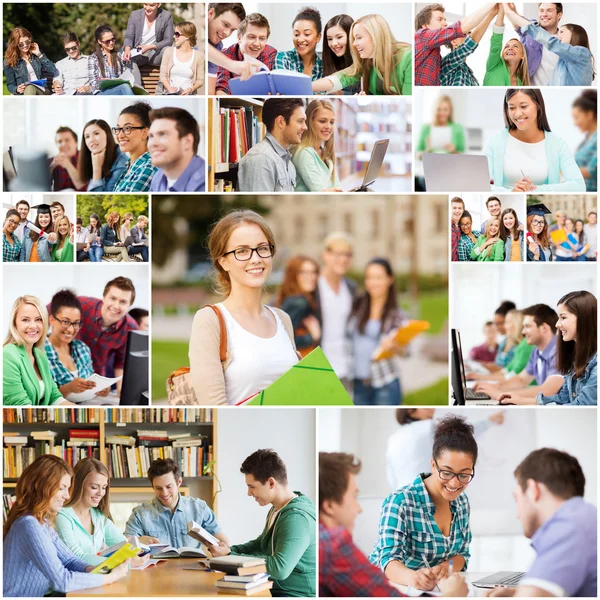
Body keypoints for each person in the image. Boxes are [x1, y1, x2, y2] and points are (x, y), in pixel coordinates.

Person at [319, 452, 469, 598]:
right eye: (354, 496)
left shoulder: (321, 540)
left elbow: (463, 553)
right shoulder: (334, 545)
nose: (359, 508)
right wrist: (452, 595)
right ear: (330, 506)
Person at [189, 211, 299, 405]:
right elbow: (214, 407)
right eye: (242, 251)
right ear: (223, 261)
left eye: (262, 248)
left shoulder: (282, 318)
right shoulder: (210, 319)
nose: (255, 258)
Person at [370, 415, 476, 591]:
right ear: (433, 465)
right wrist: (415, 577)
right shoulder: (400, 502)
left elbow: (462, 554)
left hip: (430, 591)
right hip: (386, 589)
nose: (455, 483)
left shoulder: (462, 502)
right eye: (447, 472)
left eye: (464, 474)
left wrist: (443, 569)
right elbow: (388, 561)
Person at [3, 455, 128, 597]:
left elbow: (70, 560)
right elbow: (62, 581)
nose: (67, 496)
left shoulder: (42, 523)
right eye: (62, 488)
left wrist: (98, 570)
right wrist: (109, 577)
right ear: (42, 486)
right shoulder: (29, 525)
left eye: (68, 489)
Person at [487, 448, 597, 598]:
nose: (517, 514)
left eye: (517, 498)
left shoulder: (571, 526)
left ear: (533, 490)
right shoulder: (584, 518)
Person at [210, 449, 316, 598]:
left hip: (292, 595)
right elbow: (261, 543)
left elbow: (280, 568)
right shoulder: (277, 509)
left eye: (252, 486)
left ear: (271, 483)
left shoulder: (296, 519)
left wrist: (230, 555)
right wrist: (229, 550)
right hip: (272, 589)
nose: (248, 493)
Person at [499, 291, 597, 406]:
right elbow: (564, 397)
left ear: (583, 318)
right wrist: (521, 401)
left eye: (563, 318)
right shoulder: (574, 356)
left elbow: (582, 406)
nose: (557, 325)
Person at [484, 88, 586, 192]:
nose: (517, 113)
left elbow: (579, 186)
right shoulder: (495, 142)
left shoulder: (558, 144)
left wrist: (535, 189)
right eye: (512, 108)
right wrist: (510, 192)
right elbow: (479, 186)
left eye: (523, 106)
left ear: (538, 105)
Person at [55, 458, 147, 567]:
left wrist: (138, 552)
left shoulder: (99, 516)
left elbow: (123, 544)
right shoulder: (62, 516)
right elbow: (75, 557)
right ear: (78, 485)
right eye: (94, 487)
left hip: (95, 578)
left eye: (104, 487)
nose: (100, 493)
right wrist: (125, 563)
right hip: (73, 579)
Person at [386, 410, 504, 491]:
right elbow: (460, 433)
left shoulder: (393, 438)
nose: (432, 409)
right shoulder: (427, 427)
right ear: (411, 412)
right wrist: (489, 421)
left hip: (401, 494)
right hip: (425, 494)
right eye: (425, 407)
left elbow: (391, 478)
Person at [124, 458, 228, 548]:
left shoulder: (199, 508)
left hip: (193, 569)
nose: (164, 493)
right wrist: (139, 540)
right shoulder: (140, 514)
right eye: (158, 488)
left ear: (179, 482)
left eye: (169, 487)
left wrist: (217, 548)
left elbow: (224, 542)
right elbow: (125, 544)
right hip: (156, 570)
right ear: (152, 487)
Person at [473, 304, 564, 402]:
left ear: (544, 328)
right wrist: (495, 386)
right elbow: (521, 379)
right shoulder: (537, 352)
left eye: (527, 326)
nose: (523, 331)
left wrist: (501, 394)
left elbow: (548, 390)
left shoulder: (559, 351)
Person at [349, 258, 406, 406]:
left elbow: (407, 352)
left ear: (390, 279)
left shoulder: (397, 315)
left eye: (378, 277)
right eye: (369, 277)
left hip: (385, 382)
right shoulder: (357, 306)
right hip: (358, 383)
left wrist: (395, 347)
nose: (373, 282)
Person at [312, 14, 412, 95]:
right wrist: (309, 86)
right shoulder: (367, 60)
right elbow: (343, 77)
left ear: (375, 36)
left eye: (359, 38)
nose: (354, 44)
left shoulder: (408, 57)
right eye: (354, 39)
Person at [3, 296, 73, 406]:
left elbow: (54, 396)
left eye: (38, 319)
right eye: (25, 320)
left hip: (37, 421)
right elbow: (20, 405)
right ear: (14, 323)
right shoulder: (7, 355)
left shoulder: (40, 355)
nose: (33, 326)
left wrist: (80, 412)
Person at [505, 6, 594, 87]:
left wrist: (511, 13)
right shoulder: (562, 63)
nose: (558, 36)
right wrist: (512, 12)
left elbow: (551, 42)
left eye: (562, 32)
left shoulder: (582, 54)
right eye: (541, 10)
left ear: (575, 35)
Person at [76, 277, 139, 391]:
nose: (116, 306)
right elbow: (48, 313)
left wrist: (122, 390)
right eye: (113, 298)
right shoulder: (82, 304)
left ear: (129, 306)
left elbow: (121, 363)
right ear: (104, 297)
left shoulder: (131, 328)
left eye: (123, 302)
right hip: (67, 372)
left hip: (96, 381)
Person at [414, 3, 497, 86]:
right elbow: (463, 31)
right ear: (425, 26)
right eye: (440, 19)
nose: (445, 23)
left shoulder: (436, 60)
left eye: (445, 19)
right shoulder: (421, 36)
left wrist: (492, 13)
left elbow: (469, 44)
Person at [238, 98, 307, 192]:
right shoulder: (261, 159)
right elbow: (257, 205)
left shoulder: (288, 163)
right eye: (300, 121)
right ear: (281, 122)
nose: (305, 127)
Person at [44, 290, 103, 400]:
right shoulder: (39, 352)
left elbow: (90, 383)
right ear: (51, 320)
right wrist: (69, 388)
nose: (71, 330)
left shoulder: (82, 349)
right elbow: (42, 398)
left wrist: (99, 388)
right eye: (65, 322)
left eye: (76, 323)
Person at [317, 232, 357, 391]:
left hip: (345, 366)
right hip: (319, 366)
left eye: (348, 255)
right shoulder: (313, 285)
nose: (343, 259)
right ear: (325, 255)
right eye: (338, 254)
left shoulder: (351, 287)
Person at [216, 13, 277, 95]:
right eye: (251, 37)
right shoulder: (225, 55)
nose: (257, 43)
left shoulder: (270, 53)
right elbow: (222, 89)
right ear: (239, 38)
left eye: (262, 38)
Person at [148, 107, 205, 192]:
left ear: (187, 141)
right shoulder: (158, 178)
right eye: (151, 136)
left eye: (162, 134)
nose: (153, 143)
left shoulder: (203, 184)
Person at [440, 6, 498, 86]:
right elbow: (468, 44)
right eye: (464, 34)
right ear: (453, 41)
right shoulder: (446, 64)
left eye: (469, 33)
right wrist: (492, 13)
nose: (468, 36)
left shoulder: (470, 74)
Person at [468, 309, 532, 381]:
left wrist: (481, 377)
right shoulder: (519, 345)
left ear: (517, 324)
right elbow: (506, 370)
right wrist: (479, 377)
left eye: (507, 322)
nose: (505, 326)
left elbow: (514, 375)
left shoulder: (525, 345)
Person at [292, 99, 341, 192]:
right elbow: (319, 192)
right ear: (310, 122)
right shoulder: (303, 153)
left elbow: (337, 186)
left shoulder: (326, 152)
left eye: (332, 122)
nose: (328, 127)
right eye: (322, 121)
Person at [277, 255, 321, 358]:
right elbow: (284, 339)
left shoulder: (291, 297)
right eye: (304, 272)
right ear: (293, 275)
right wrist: (312, 336)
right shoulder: (299, 302)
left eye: (314, 272)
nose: (311, 277)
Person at [511, 2, 563, 86]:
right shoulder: (530, 30)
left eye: (549, 10)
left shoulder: (565, 40)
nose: (544, 14)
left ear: (559, 15)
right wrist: (513, 11)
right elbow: (517, 21)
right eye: (541, 10)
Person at [113, 102, 158, 192]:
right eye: (118, 128)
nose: (120, 135)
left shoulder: (149, 168)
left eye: (127, 128)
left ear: (145, 133)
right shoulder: (129, 167)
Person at [483, 5, 530, 86]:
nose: (510, 48)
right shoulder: (494, 65)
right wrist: (502, 8)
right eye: (506, 46)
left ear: (522, 55)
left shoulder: (521, 83)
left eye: (515, 46)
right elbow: (496, 42)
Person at [78, 119, 128, 193]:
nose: (91, 139)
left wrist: (97, 170)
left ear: (107, 134)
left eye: (96, 133)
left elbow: (100, 198)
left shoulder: (122, 164)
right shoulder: (94, 157)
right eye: (87, 137)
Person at [3, 26, 57, 95]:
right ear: (15, 44)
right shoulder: (8, 60)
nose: (25, 45)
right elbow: (10, 84)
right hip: (22, 94)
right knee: (28, 88)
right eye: (21, 44)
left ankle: (27, 105)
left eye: (27, 42)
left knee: (30, 87)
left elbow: (53, 70)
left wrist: (39, 54)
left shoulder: (37, 53)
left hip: (41, 90)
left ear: (30, 39)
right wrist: (16, 89)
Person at [207, 3, 246, 94]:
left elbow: (209, 92)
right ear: (210, 14)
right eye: (225, 24)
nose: (227, 33)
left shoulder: (217, 46)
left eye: (232, 30)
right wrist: (231, 64)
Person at [276, 7, 323, 81]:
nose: (300, 40)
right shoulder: (283, 59)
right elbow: (280, 88)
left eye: (307, 34)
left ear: (318, 37)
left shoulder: (323, 67)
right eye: (296, 34)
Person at [157, 21, 204, 95]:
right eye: (174, 34)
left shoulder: (198, 56)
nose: (174, 37)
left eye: (177, 34)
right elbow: (163, 76)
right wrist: (169, 88)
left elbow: (200, 80)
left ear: (187, 36)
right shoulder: (168, 52)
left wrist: (191, 89)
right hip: (170, 94)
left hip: (189, 95)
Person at [122, 3, 174, 69]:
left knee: (167, 50)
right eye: (145, 4)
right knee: (129, 59)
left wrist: (149, 47)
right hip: (138, 54)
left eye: (151, 5)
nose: (147, 8)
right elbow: (129, 36)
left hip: (155, 54)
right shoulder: (135, 15)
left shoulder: (166, 16)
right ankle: (135, 79)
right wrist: (127, 49)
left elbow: (169, 40)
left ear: (159, 4)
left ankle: (166, 78)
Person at [88, 25, 136, 96]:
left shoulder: (118, 56)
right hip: (101, 93)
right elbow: (93, 83)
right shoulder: (93, 58)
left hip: (118, 90)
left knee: (127, 87)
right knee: (124, 87)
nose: (111, 43)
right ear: (99, 41)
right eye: (107, 41)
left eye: (113, 39)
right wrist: (106, 82)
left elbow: (125, 76)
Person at [321, 14, 359, 95]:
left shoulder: (362, 63)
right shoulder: (326, 63)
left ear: (351, 36)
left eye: (339, 37)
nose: (334, 43)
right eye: (330, 39)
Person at [572, 90, 597, 192]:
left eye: (577, 117)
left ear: (589, 114)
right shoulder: (584, 143)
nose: (575, 123)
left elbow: (592, 171)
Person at [50, 127, 87, 192]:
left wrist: (68, 165)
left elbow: (84, 188)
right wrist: (52, 166)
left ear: (76, 143)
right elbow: (39, 186)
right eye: (60, 141)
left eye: (67, 140)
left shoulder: (86, 158)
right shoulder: (52, 162)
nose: (63, 144)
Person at [450, 196, 464, 262]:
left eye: (460, 208)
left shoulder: (461, 228)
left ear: (463, 210)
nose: (457, 211)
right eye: (454, 208)